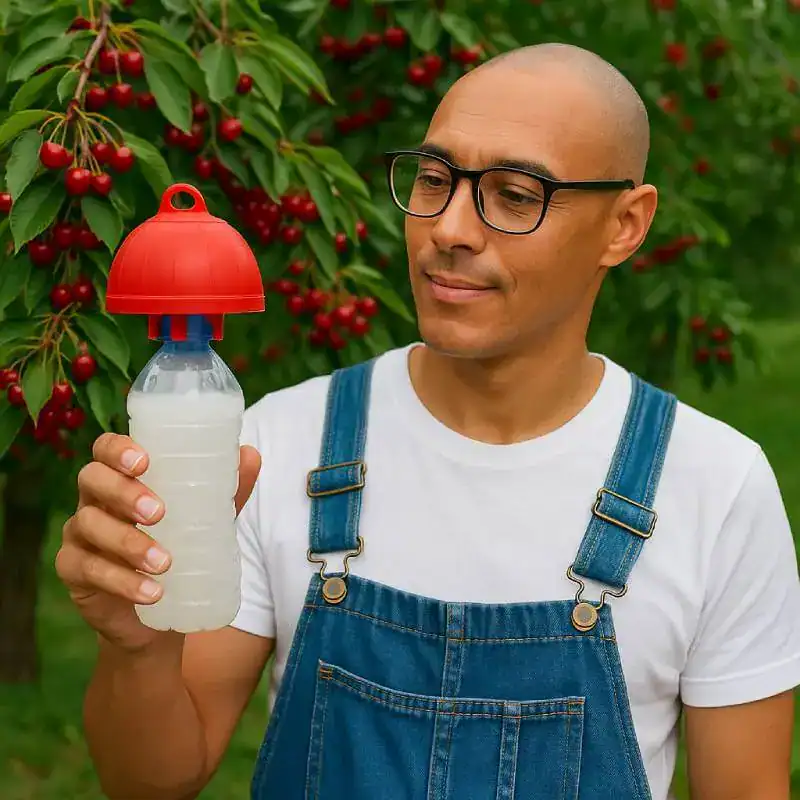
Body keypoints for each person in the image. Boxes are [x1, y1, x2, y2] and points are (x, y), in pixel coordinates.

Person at [56, 43, 800, 799]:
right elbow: (149, 782)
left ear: (625, 225)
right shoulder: (274, 447)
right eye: (435, 179)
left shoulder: (714, 487)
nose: (449, 228)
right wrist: (137, 649)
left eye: (513, 194)